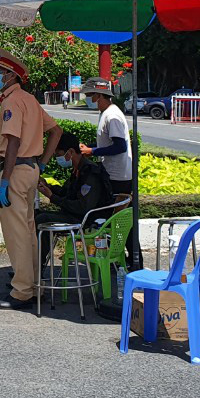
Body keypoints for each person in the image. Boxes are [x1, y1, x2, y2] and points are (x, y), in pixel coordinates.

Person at [0, 49, 63, 310]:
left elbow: (13, 140)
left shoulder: (11, 102)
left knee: (17, 233)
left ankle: (21, 293)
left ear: (10, 75)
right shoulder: (29, 99)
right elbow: (56, 132)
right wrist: (41, 164)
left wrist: (5, 179)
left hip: (16, 172)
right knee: (29, 231)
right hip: (30, 170)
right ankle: (32, 286)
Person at [77, 77, 141, 270]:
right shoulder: (107, 113)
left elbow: (120, 146)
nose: (88, 99)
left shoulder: (112, 116)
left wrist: (92, 151)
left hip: (118, 177)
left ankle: (130, 262)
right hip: (114, 173)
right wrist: (93, 149)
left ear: (99, 95)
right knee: (117, 222)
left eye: (89, 95)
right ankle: (124, 261)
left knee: (118, 222)